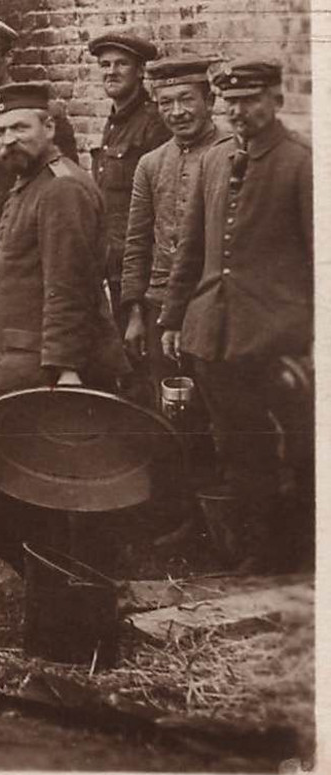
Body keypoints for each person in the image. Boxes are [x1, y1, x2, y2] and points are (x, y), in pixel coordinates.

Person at [160, 57, 312, 568]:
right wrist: (174, 317)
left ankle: (289, 550)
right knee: (235, 443)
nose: (239, 112)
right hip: (214, 331)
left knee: (290, 448)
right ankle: (252, 545)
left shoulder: (302, 163)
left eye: (250, 101)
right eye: (231, 103)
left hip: (275, 338)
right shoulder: (216, 160)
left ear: (276, 101)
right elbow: (191, 249)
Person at [0, 80, 129, 397]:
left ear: (48, 127)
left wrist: (67, 372)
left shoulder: (62, 189)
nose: (8, 141)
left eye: (19, 128)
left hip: (47, 374)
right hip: (23, 364)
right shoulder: (32, 182)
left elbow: (69, 286)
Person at [0, 14, 78, 336]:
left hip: (22, 264)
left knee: (23, 356)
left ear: (8, 57)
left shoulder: (39, 115)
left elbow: (64, 191)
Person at [121, 56, 222, 401]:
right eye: (166, 102)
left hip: (215, 309)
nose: (176, 111)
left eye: (186, 99)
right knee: (171, 410)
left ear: (209, 101)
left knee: (219, 409)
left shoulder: (233, 154)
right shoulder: (150, 165)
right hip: (159, 310)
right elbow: (136, 244)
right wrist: (136, 315)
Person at [85, 32, 169, 320]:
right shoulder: (113, 123)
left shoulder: (153, 124)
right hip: (112, 263)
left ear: (141, 71)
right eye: (105, 65)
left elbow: (162, 205)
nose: (111, 72)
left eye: (121, 64)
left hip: (140, 268)